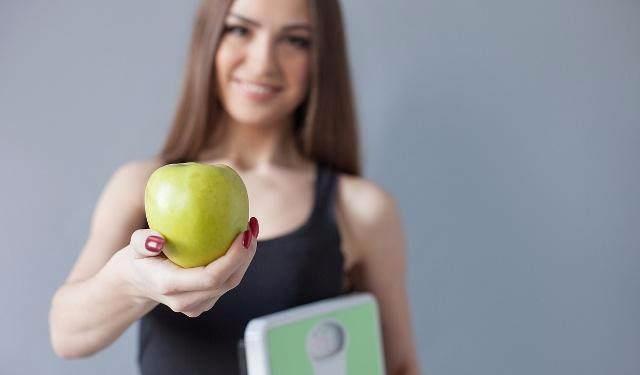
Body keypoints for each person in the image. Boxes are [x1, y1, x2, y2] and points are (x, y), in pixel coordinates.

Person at [48, 0, 421, 374]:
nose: (262, 63)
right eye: (241, 30)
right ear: (210, 38)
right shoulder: (138, 186)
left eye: (295, 40)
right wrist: (130, 283)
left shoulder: (361, 208)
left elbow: (400, 365)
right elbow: (67, 335)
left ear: (322, 57)